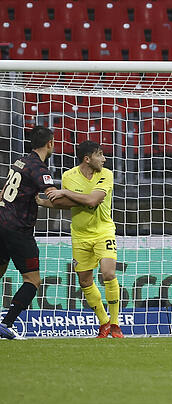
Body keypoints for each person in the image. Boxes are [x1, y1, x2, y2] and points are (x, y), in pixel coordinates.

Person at [40, 141, 124, 338]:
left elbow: (92, 200)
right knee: (85, 280)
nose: (104, 159)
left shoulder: (106, 174)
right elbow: (67, 203)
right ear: (87, 159)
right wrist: (43, 202)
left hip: (103, 230)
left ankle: (115, 323)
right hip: (80, 234)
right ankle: (103, 323)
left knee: (108, 273)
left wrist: (64, 191)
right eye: (100, 155)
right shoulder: (69, 176)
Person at [0, 126, 60, 340]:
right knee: (32, 280)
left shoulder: (19, 161)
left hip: (1, 221)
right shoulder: (39, 169)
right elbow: (53, 195)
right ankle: (6, 323)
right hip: (18, 229)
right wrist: (80, 199)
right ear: (50, 144)